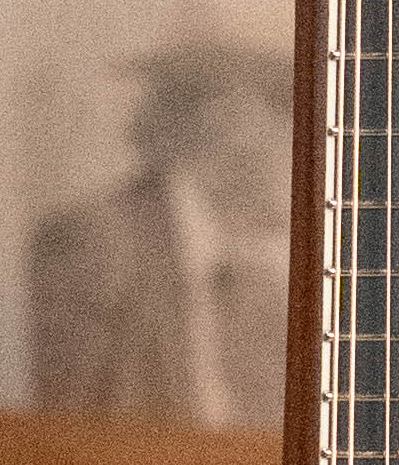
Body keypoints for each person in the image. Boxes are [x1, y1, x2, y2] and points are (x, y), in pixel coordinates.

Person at [28, 38, 291, 426]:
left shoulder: (259, 268)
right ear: (225, 124)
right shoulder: (91, 245)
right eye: (285, 118)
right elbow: (64, 436)